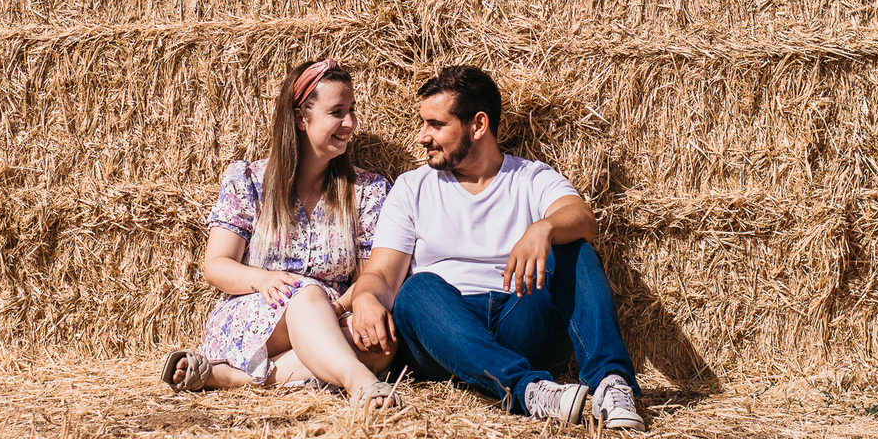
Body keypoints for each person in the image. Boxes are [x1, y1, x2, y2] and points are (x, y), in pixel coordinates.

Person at [349, 66, 644, 430]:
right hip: (443, 331)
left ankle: (611, 384)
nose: (423, 136)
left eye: (436, 124)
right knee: (416, 289)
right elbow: (381, 274)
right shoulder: (413, 188)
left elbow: (584, 219)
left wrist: (545, 227)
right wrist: (363, 296)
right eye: (423, 123)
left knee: (575, 250)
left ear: (478, 125)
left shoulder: (531, 177)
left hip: (518, 319)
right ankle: (530, 390)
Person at [161, 58, 402, 410]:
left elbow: (369, 279)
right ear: (302, 118)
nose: (349, 123)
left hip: (333, 312)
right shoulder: (249, 180)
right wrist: (262, 279)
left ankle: (233, 379)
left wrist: (341, 304)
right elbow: (216, 265)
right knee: (306, 295)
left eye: (352, 110)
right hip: (258, 315)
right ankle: (360, 382)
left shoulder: (366, 190)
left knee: (381, 345)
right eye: (337, 112)